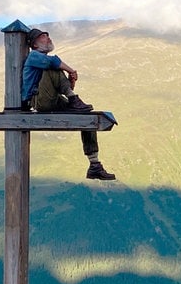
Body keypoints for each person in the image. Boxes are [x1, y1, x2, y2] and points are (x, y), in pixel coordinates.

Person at [21, 28, 115, 180]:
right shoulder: (34, 56)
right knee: (52, 67)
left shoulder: (42, 59)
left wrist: (71, 82)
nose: (48, 38)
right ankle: (73, 99)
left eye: (47, 35)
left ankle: (94, 165)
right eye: (43, 37)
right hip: (38, 101)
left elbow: (62, 87)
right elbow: (53, 63)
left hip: (52, 99)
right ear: (35, 44)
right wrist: (72, 71)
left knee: (86, 116)